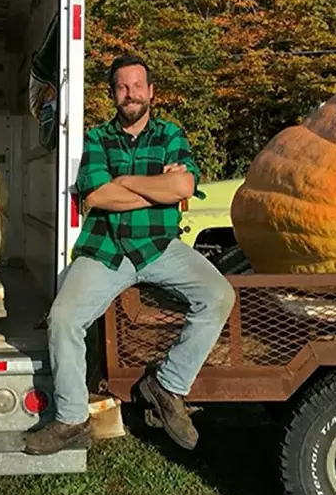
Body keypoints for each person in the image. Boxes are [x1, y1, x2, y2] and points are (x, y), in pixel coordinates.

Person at [23, 54, 236, 456]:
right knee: (64, 319)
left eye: (138, 86)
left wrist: (126, 182)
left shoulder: (171, 134)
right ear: (112, 94)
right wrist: (157, 186)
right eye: (122, 87)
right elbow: (98, 195)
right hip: (105, 249)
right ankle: (71, 418)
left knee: (218, 294)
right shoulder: (97, 138)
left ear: (151, 91)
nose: (131, 94)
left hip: (160, 247)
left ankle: (168, 386)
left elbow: (184, 187)